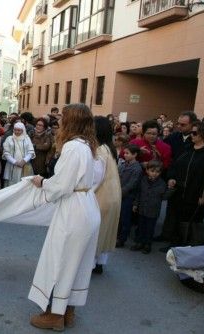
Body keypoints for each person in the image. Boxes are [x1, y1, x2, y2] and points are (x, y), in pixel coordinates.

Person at [29, 103, 101, 331]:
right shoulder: (88, 146)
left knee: (61, 259)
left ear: (71, 122)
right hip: (88, 205)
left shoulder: (72, 147)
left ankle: (55, 315)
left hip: (74, 209)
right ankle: (68, 310)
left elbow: (61, 185)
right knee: (77, 262)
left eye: (63, 118)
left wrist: (42, 182)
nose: (59, 121)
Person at [167, 121, 204, 246]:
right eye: (191, 133)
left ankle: (188, 247)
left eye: (194, 133)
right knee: (178, 219)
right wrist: (172, 177)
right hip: (180, 191)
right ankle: (175, 245)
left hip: (196, 193)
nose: (191, 135)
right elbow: (175, 164)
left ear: (203, 134)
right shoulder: (188, 148)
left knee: (193, 222)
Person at [92, 116, 121, 274]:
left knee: (96, 233)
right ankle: (99, 263)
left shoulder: (98, 150)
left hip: (101, 197)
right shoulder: (109, 148)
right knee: (105, 231)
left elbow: (95, 179)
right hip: (112, 196)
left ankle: (92, 265)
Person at [131, 160, 170, 254]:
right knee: (140, 227)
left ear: (160, 172)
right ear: (147, 170)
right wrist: (136, 204)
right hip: (142, 209)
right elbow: (139, 193)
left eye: (157, 172)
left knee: (150, 229)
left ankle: (147, 245)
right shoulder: (143, 180)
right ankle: (139, 242)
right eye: (152, 171)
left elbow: (164, 196)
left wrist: (170, 189)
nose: (155, 174)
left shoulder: (162, 183)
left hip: (153, 211)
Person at [116, 144, 143, 248]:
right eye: (125, 153)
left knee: (125, 219)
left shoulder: (137, 168)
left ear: (135, 154)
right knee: (119, 218)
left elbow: (132, 184)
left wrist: (120, 192)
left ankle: (122, 239)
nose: (125, 155)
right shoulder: (123, 165)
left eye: (127, 153)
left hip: (128, 197)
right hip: (119, 194)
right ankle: (117, 236)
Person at [2, 122, 35, 187]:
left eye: (19, 130)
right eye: (15, 130)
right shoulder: (9, 139)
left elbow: (31, 152)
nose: (16, 132)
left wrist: (24, 161)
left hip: (24, 166)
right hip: (12, 166)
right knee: (11, 185)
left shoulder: (27, 138)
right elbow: (6, 153)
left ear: (23, 130)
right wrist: (15, 162)